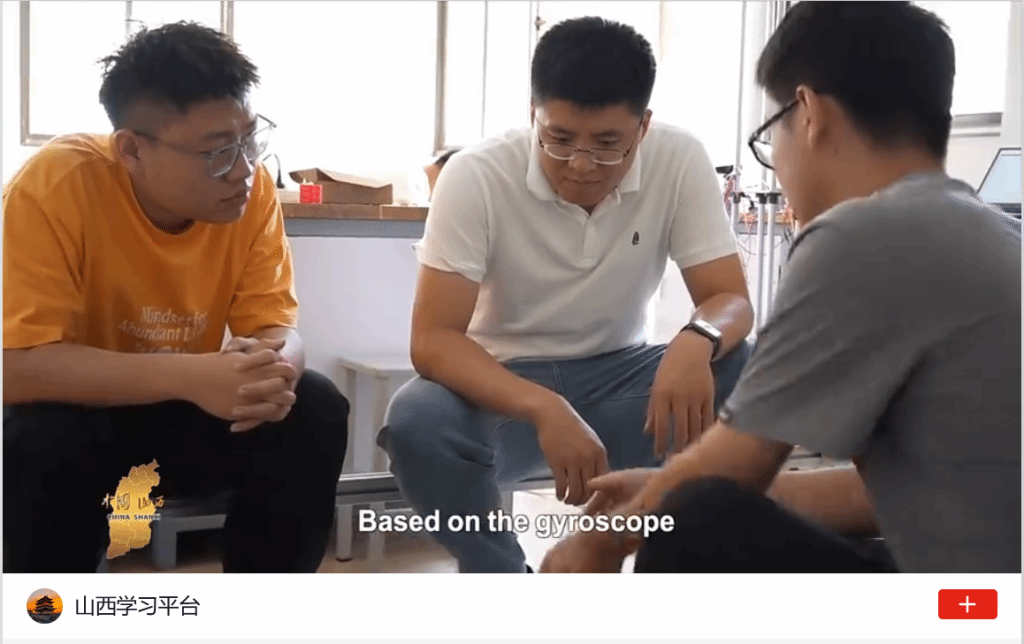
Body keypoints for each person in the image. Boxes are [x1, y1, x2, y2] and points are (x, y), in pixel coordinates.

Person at [540, 1, 1021, 574]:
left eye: (770, 134)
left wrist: (599, 542)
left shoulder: (863, 236)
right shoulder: (993, 230)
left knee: (694, 524)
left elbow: (734, 470)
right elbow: (899, 496)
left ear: (810, 114)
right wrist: (662, 488)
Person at [378, 17, 754, 573]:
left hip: (622, 382)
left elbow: (731, 300)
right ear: (533, 113)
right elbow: (433, 341)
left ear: (644, 127)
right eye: (558, 139)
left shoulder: (679, 158)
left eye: (608, 144)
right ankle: (504, 577)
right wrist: (543, 406)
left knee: (741, 365)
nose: (580, 165)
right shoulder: (476, 174)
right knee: (417, 419)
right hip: (501, 388)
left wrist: (697, 338)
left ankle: (664, 556)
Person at [2, 22, 349, 573]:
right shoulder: (58, 184)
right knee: (38, 437)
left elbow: (276, 326)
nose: (243, 169)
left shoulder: (249, 192)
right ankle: (49, 611)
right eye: (217, 151)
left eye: (249, 140)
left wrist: (273, 366)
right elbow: (16, 370)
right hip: (83, 415)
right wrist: (192, 376)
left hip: (188, 416)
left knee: (312, 406)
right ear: (131, 150)